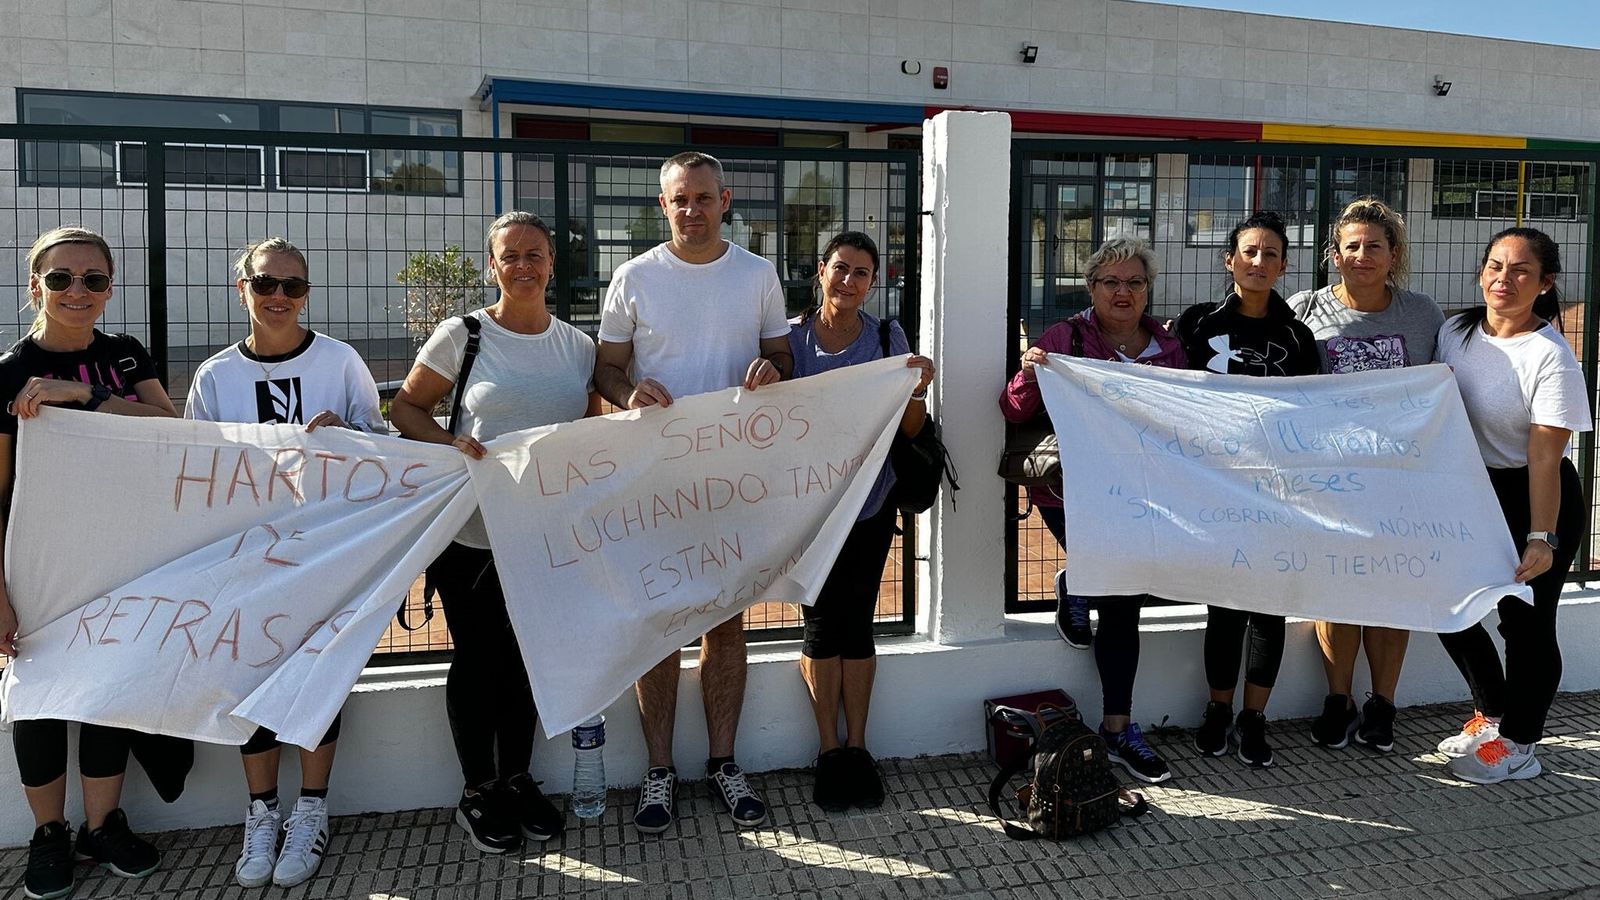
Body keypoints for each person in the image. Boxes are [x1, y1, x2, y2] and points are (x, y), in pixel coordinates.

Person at [593, 151, 793, 833]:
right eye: (680, 200)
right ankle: (659, 771)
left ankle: (723, 762)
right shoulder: (634, 276)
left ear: (725, 199)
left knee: (725, 622)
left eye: (703, 198)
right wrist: (628, 393)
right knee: (658, 626)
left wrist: (774, 368)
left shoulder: (757, 273)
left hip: (733, 478)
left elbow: (785, 359)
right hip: (655, 481)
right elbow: (607, 370)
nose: (692, 210)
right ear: (663, 205)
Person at [391, 211, 600, 852]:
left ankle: (517, 779)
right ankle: (477, 790)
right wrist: (455, 445)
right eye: (511, 256)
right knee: (478, 661)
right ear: (493, 266)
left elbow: (590, 431)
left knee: (527, 658)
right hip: (473, 534)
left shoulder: (579, 347)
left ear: (552, 264)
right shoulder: (465, 335)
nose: (525, 266)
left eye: (536, 253)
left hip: (547, 537)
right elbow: (405, 407)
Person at [184, 237, 386, 888]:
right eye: (266, 284)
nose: (278, 297)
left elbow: (384, 446)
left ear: (306, 295)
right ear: (241, 288)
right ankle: (262, 812)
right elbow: (193, 471)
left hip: (328, 555)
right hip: (248, 560)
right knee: (251, 685)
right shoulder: (215, 376)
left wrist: (349, 438)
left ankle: (311, 811)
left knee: (317, 682)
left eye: (293, 287)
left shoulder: (340, 361)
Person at [0, 226, 178, 899]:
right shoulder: (8, 373)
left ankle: (100, 826)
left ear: (109, 288)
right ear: (35, 286)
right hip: (39, 567)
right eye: (61, 278)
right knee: (42, 703)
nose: (78, 291)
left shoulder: (125, 357)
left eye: (94, 279)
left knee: (109, 691)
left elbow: (172, 427)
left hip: (123, 556)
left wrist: (86, 398)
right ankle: (48, 834)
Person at [998, 236, 1187, 784]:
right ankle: (1080, 583)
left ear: (1148, 289)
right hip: (1069, 493)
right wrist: (1029, 371)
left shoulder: (1170, 348)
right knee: (1118, 594)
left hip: (1141, 497)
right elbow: (1013, 409)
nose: (1123, 292)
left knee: (1124, 602)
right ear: (1092, 289)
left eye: (1134, 282)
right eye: (1111, 282)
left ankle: (1117, 730)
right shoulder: (1066, 338)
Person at [1287, 199, 1444, 754]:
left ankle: (1382, 704)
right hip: (1330, 483)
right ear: (1334, 254)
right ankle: (1338, 699)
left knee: (1390, 592)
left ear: (1393, 254)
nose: (1361, 255)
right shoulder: (1305, 309)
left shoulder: (1423, 315)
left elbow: (1448, 389)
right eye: (1350, 246)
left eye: (1373, 245)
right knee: (1337, 589)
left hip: (1400, 483)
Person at [1433, 228, 1588, 784]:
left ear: (1545, 284)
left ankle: (1520, 743)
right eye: (1496, 266)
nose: (1504, 278)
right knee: (1447, 605)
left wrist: (1540, 538)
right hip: (1472, 493)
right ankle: (1493, 713)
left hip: (1536, 497)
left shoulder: (1551, 357)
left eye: (1521, 270)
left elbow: (1546, 458)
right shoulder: (1454, 330)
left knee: (1525, 623)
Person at [790, 232, 935, 810]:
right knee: (821, 625)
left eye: (863, 273)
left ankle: (857, 748)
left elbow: (913, 431)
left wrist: (917, 391)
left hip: (871, 503)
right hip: (807, 508)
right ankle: (828, 754)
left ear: (873, 283)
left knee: (857, 625)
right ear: (820, 271)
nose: (849, 281)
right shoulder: (790, 339)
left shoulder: (885, 335)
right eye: (840, 268)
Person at [1175, 211, 1320, 769]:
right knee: (1225, 605)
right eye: (1249, 252)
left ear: (1284, 266)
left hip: (1279, 488)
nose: (1259, 262)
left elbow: (1314, 412)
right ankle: (1217, 710)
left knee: (1269, 607)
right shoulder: (1195, 324)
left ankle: (1254, 716)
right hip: (1213, 483)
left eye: (1271, 254)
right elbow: (1159, 388)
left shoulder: (1297, 337)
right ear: (1229, 260)